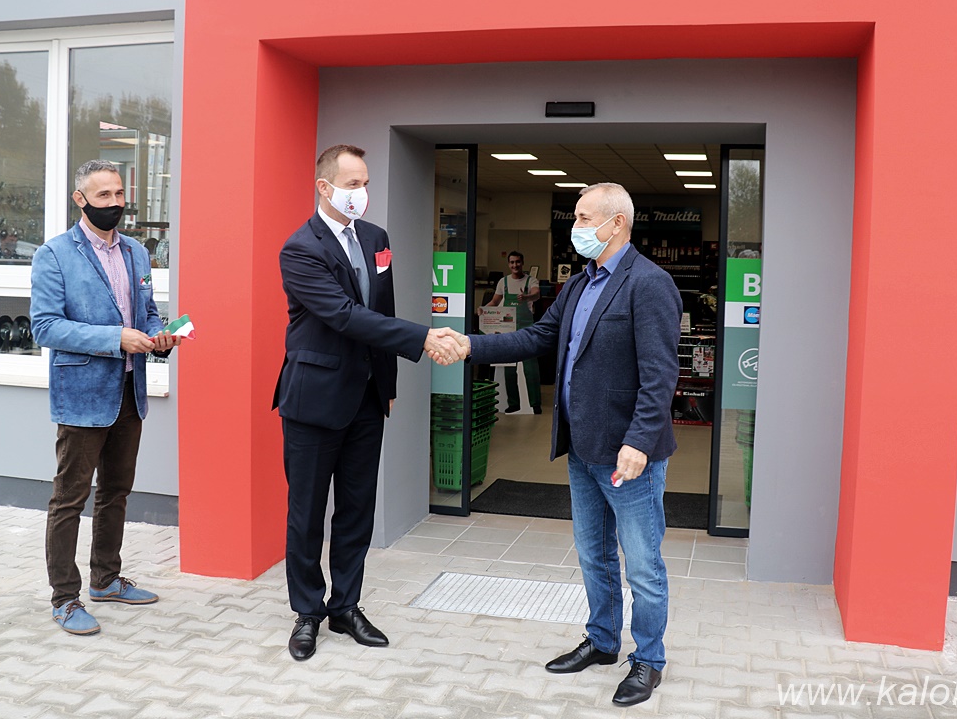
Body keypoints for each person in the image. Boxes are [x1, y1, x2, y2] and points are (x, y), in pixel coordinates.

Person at [448, 182, 681, 707]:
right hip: (582, 448)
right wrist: (469, 345)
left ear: (616, 223)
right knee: (593, 554)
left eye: (583, 217)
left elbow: (660, 373)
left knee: (642, 564)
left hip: (627, 455)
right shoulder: (578, 284)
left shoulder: (650, 282)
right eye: (575, 217)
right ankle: (602, 642)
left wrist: (639, 441)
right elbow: (537, 337)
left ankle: (648, 659)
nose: (575, 227)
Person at [273, 143, 462, 662]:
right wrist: (422, 338)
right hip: (314, 399)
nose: (362, 193)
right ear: (324, 187)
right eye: (352, 184)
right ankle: (307, 612)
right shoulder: (300, 249)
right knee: (307, 513)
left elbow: (384, 307)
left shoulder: (376, 238)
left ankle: (345, 606)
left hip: (366, 397)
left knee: (357, 509)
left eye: (365, 183)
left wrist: (389, 386)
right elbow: (344, 315)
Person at [30, 159, 181, 636]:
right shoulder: (54, 254)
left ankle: (106, 580)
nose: (115, 203)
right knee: (69, 499)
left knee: (116, 492)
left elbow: (147, 311)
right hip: (82, 397)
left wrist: (159, 336)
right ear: (80, 200)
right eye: (104, 196)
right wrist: (116, 338)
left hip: (129, 393)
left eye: (119, 194)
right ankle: (64, 598)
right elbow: (45, 327)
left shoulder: (136, 251)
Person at [480, 250, 542, 414]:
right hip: (508, 327)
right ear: (509, 264)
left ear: (522, 263)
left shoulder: (530, 280)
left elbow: (536, 294)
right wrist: (483, 310)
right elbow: (495, 301)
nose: (515, 265)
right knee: (509, 366)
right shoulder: (504, 282)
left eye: (518, 262)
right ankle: (513, 403)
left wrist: (527, 297)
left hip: (526, 327)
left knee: (530, 366)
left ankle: (535, 404)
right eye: (512, 262)